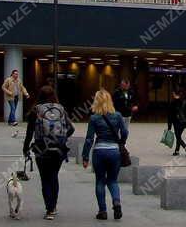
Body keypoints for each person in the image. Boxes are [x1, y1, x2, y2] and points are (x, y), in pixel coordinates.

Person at [22, 84, 74, 221]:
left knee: (45, 179)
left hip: (41, 148)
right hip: (58, 149)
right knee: (54, 176)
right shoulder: (61, 109)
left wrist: (25, 148)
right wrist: (61, 138)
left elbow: (29, 133)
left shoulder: (36, 110)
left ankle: (49, 209)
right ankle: (54, 206)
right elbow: (71, 128)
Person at [82, 89, 128, 221]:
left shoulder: (94, 117)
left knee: (100, 181)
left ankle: (102, 211)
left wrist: (85, 157)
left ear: (97, 101)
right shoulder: (118, 116)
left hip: (99, 152)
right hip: (114, 151)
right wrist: (121, 142)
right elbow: (125, 132)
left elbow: (89, 139)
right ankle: (117, 202)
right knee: (113, 180)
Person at [167, 88, 186, 158]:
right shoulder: (184, 102)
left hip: (176, 123)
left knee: (178, 137)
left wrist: (169, 126)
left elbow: (170, 116)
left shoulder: (172, 103)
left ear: (174, 94)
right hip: (184, 123)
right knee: (178, 136)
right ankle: (177, 151)